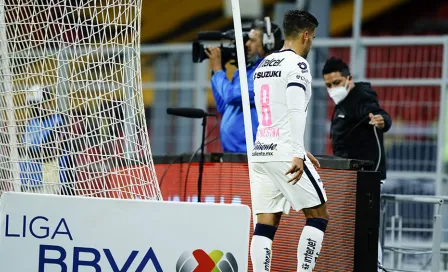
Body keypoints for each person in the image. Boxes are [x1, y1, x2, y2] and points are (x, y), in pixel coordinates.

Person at [250, 10, 329, 272]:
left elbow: (272, 111)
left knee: (265, 223)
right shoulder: (298, 65)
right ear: (305, 35)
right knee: (318, 215)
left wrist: (297, 146)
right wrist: (297, 151)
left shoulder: (264, 65)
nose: (312, 43)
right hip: (285, 152)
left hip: (261, 150)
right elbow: (294, 110)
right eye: (313, 37)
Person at [322, 57, 392, 271]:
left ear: (349, 79)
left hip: (364, 177)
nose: (333, 89)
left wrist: (381, 120)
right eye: (328, 85)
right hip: (347, 177)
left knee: (366, 227)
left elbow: (378, 113)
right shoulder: (342, 102)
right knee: (351, 227)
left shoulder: (360, 95)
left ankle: (376, 266)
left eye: (336, 83)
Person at [206, 17, 283, 153]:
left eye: (252, 40)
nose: (246, 44)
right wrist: (218, 69)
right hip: (233, 153)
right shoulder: (246, 72)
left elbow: (231, 95)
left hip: (252, 153)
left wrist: (218, 70)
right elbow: (224, 106)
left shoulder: (267, 73)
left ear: (268, 43)